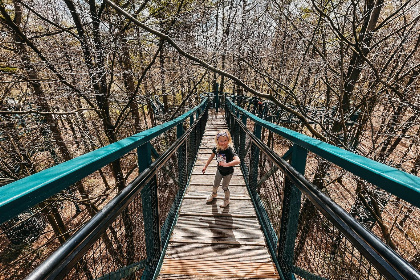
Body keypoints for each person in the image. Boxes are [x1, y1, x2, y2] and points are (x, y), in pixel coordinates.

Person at [202, 130, 240, 207]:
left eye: (225, 140)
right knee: (215, 185)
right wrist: (205, 166)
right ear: (217, 141)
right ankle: (214, 194)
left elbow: (238, 161)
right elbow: (211, 157)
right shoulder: (216, 149)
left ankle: (226, 200)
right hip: (219, 170)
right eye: (221, 141)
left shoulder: (229, 150)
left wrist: (227, 164)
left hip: (228, 172)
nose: (223, 143)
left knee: (224, 187)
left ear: (229, 140)